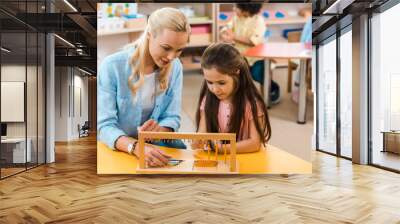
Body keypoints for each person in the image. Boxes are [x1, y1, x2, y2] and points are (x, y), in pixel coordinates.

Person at [98, 8, 191, 167]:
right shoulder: (112, 66)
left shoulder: (175, 67)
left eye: (179, 50)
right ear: (149, 34)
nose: (171, 57)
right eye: (166, 47)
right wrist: (135, 147)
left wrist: (160, 131)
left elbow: (172, 117)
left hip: (156, 151)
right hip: (120, 151)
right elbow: (105, 126)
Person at [194, 43, 272, 153]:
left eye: (221, 83)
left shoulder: (251, 103)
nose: (215, 89)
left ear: (237, 72)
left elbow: (255, 143)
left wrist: (222, 149)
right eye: (209, 82)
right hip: (219, 161)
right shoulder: (208, 100)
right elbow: (202, 133)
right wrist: (198, 141)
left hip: (246, 161)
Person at [220, 3, 280, 104]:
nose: (233, 8)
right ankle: (241, 96)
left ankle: (273, 88)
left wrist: (233, 36)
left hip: (257, 57)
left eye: (236, 7)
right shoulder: (236, 18)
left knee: (258, 74)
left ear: (246, 10)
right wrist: (224, 34)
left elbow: (253, 41)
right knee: (236, 74)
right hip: (241, 56)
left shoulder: (258, 21)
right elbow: (226, 28)